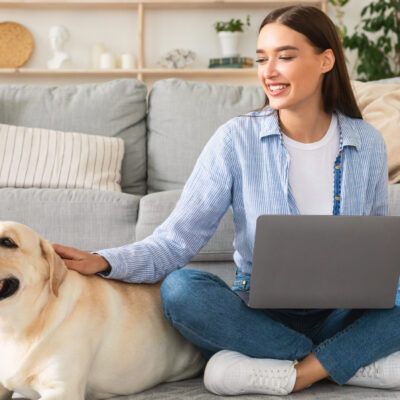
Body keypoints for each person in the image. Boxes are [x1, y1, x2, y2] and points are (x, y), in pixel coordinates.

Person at [53, 5, 400, 396]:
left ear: (325, 60)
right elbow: (177, 240)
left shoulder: (365, 141)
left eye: (285, 57)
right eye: (261, 59)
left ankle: (297, 372)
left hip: (343, 313)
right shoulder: (236, 139)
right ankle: (340, 361)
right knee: (181, 290)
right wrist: (107, 260)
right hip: (258, 314)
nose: (268, 71)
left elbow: (375, 255)